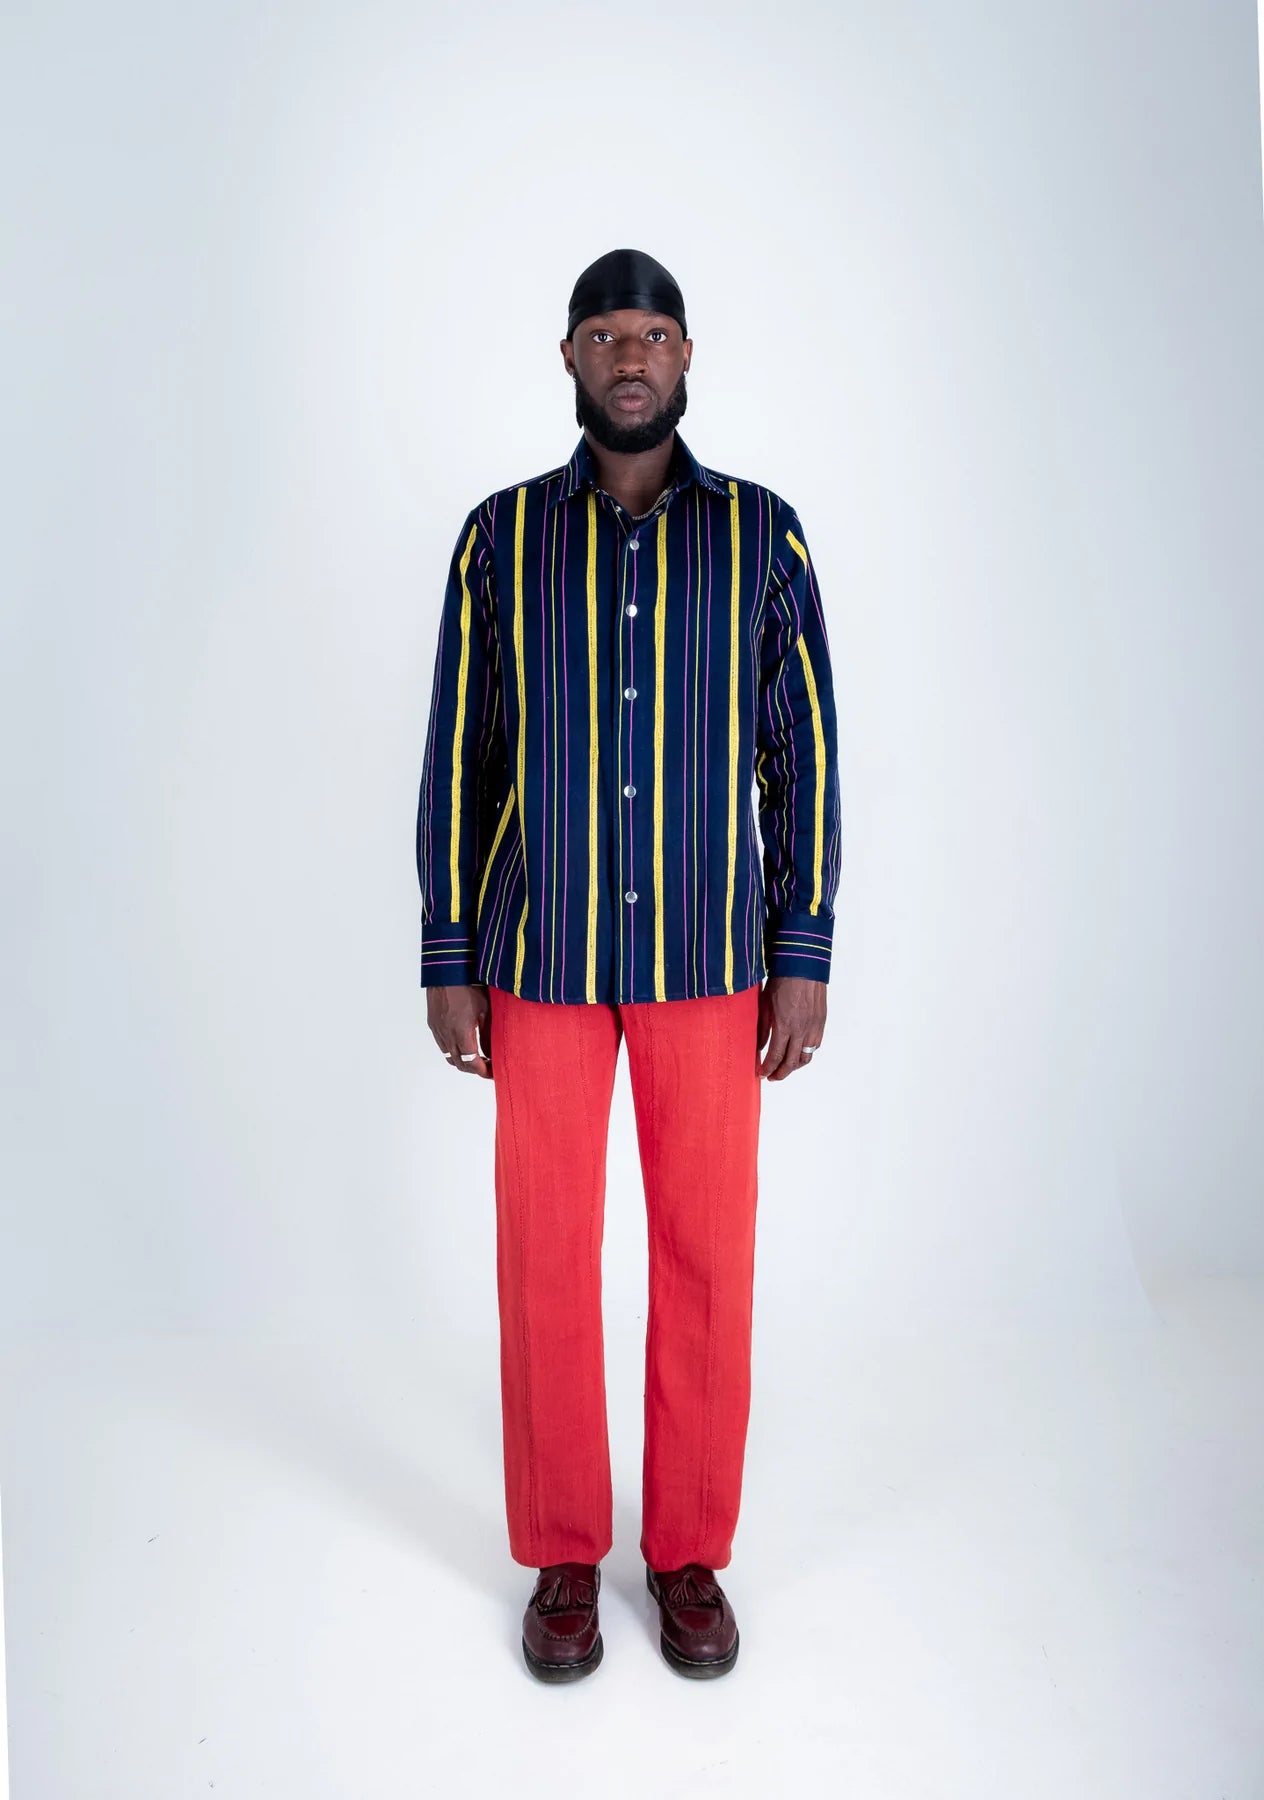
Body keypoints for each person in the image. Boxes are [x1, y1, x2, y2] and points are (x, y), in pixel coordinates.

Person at [414, 247, 841, 1681]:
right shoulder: (500, 539)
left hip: (712, 958)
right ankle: (561, 1554)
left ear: (688, 353)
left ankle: (689, 1551)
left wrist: (802, 948)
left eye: (653, 332)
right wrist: (450, 949)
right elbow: (461, 753)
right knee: (545, 1253)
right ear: (570, 359)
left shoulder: (764, 536)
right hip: (539, 955)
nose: (631, 356)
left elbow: (803, 751)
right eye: (605, 334)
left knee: (707, 1252)